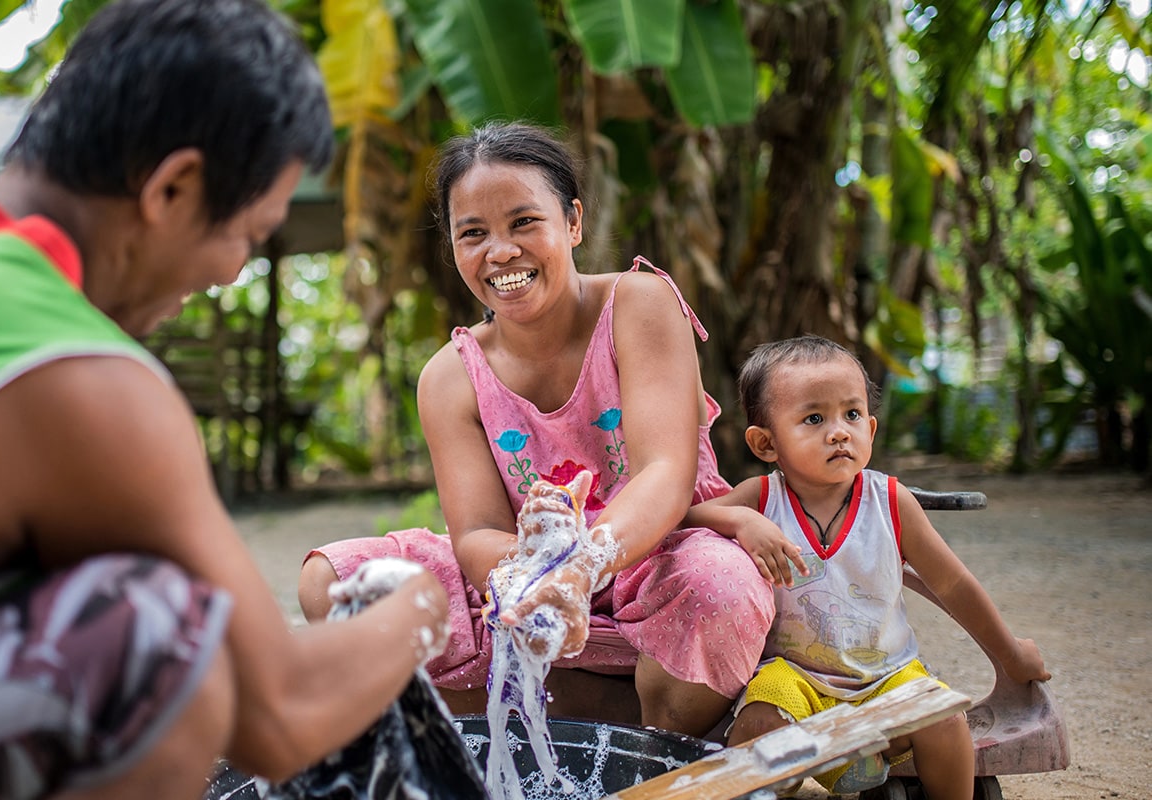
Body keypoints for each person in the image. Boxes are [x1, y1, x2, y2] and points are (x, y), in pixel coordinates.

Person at [0, 1, 450, 798]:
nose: (234, 270)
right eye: (247, 234)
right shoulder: (79, 380)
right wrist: (424, 601)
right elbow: (281, 715)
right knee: (160, 641)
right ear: (173, 188)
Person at [298, 122, 776, 739]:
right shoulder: (449, 377)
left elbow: (666, 473)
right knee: (335, 585)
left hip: (659, 554)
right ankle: (615, 716)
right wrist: (537, 581)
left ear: (573, 222)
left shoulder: (639, 303)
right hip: (531, 575)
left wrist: (585, 564)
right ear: (453, 246)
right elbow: (477, 534)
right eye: (473, 233)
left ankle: (635, 726)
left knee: (719, 588)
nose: (500, 252)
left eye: (524, 222)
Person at [686, 334, 1051, 797]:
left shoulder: (891, 502)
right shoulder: (761, 499)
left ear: (871, 431)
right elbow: (683, 515)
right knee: (758, 723)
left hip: (887, 676)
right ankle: (805, 773)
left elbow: (954, 585)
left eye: (852, 414)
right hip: (795, 679)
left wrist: (1011, 654)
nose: (839, 431)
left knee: (944, 718)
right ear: (765, 443)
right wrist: (738, 520)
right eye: (814, 418)